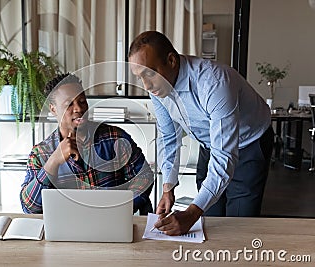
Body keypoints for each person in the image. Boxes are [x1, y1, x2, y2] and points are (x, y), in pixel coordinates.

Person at [128, 31, 273, 235]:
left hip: (249, 142)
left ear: (171, 60)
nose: (146, 85)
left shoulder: (214, 82)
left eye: (150, 73)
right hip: (209, 143)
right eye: (139, 77)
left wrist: (191, 213)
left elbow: (225, 155)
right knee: (211, 220)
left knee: (239, 224)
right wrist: (168, 187)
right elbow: (169, 137)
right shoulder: (158, 89)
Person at [20, 73, 154, 214]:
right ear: (53, 109)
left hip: (111, 226)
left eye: (82, 101)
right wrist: (53, 161)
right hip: (65, 232)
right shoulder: (41, 154)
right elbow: (30, 207)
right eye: (69, 104)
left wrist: (121, 209)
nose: (79, 109)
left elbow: (144, 176)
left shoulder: (114, 138)